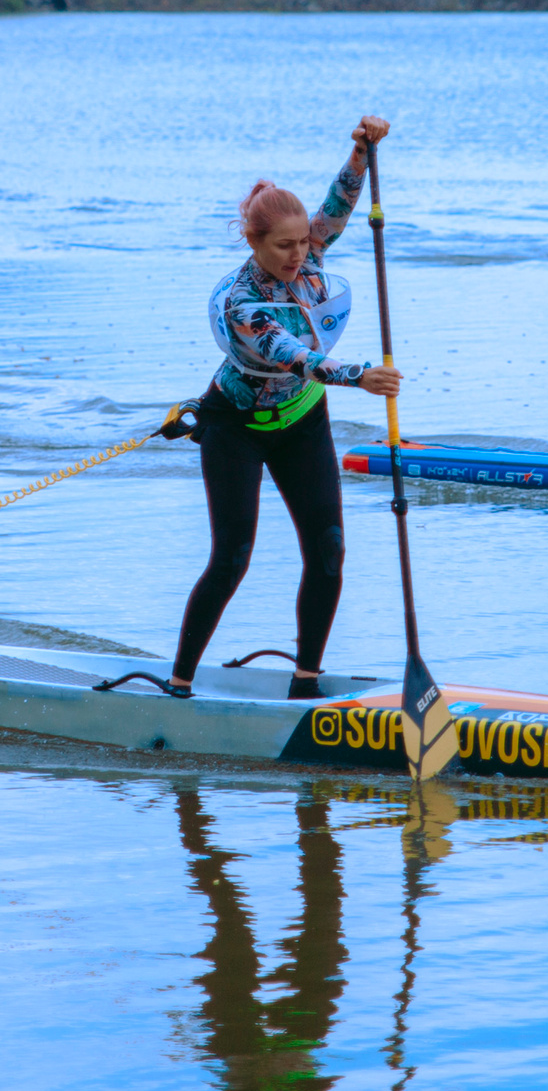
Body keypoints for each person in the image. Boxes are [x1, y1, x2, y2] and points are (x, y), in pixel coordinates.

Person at [162, 117, 402, 700]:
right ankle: (179, 684)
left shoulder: (312, 248)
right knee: (233, 558)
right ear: (253, 243)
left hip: (302, 423)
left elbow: (340, 204)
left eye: (304, 243)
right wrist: (358, 376)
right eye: (284, 246)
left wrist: (359, 153)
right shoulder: (242, 304)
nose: (299, 255)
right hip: (235, 427)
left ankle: (306, 682)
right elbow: (290, 354)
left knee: (329, 552)